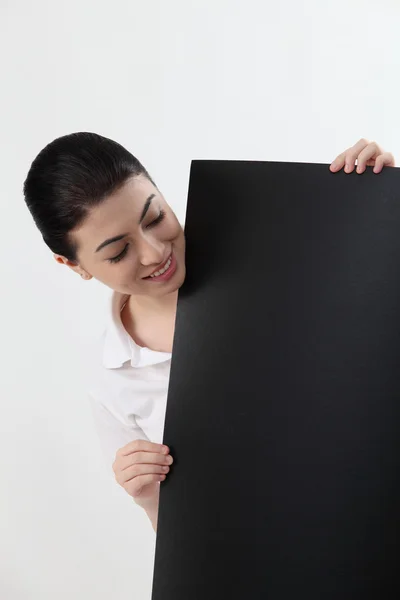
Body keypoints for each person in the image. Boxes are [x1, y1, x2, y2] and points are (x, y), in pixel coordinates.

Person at [23, 133, 395, 531]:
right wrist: (149, 499)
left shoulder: (276, 248)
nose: (154, 252)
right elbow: (191, 548)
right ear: (73, 264)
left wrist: (380, 202)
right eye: (118, 252)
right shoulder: (112, 379)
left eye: (155, 218)